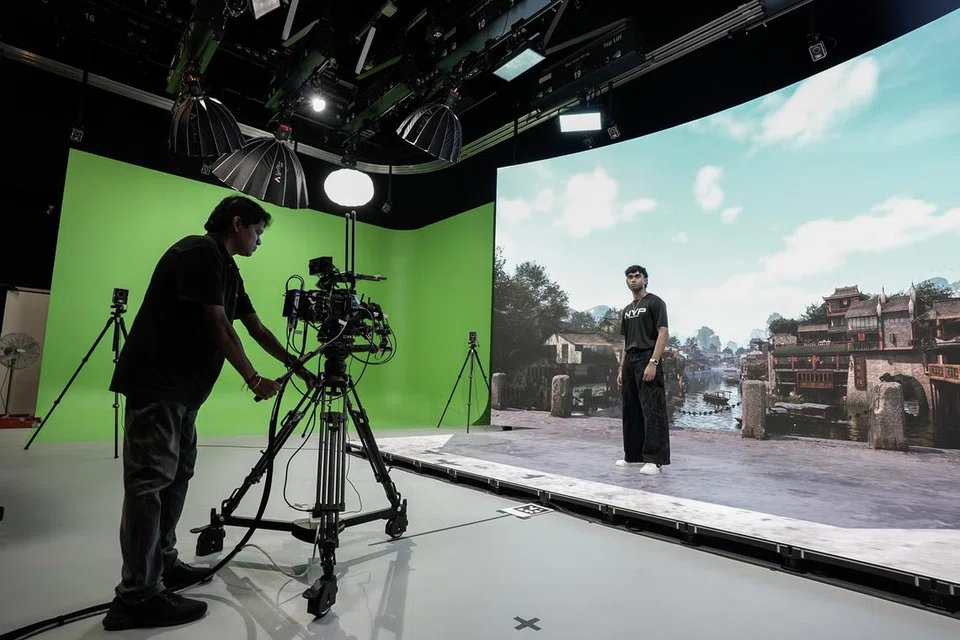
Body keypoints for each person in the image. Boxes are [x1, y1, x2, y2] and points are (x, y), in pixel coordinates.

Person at [102, 196, 317, 631]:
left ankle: (162, 566)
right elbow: (218, 324)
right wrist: (254, 378)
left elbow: (255, 327)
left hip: (183, 393)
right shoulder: (199, 252)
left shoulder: (227, 268)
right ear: (237, 224)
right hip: (158, 386)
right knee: (150, 483)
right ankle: (137, 596)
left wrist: (297, 366)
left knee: (177, 475)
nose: (259, 241)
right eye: (257, 232)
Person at [616, 265, 670, 475]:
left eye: (637, 276)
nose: (633, 279)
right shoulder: (627, 310)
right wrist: (622, 368)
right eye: (630, 277)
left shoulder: (655, 302)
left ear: (645, 280)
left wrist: (653, 362)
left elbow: (663, 333)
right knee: (630, 409)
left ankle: (655, 460)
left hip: (648, 355)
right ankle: (632, 456)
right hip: (630, 359)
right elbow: (625, 341)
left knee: (652, 409)